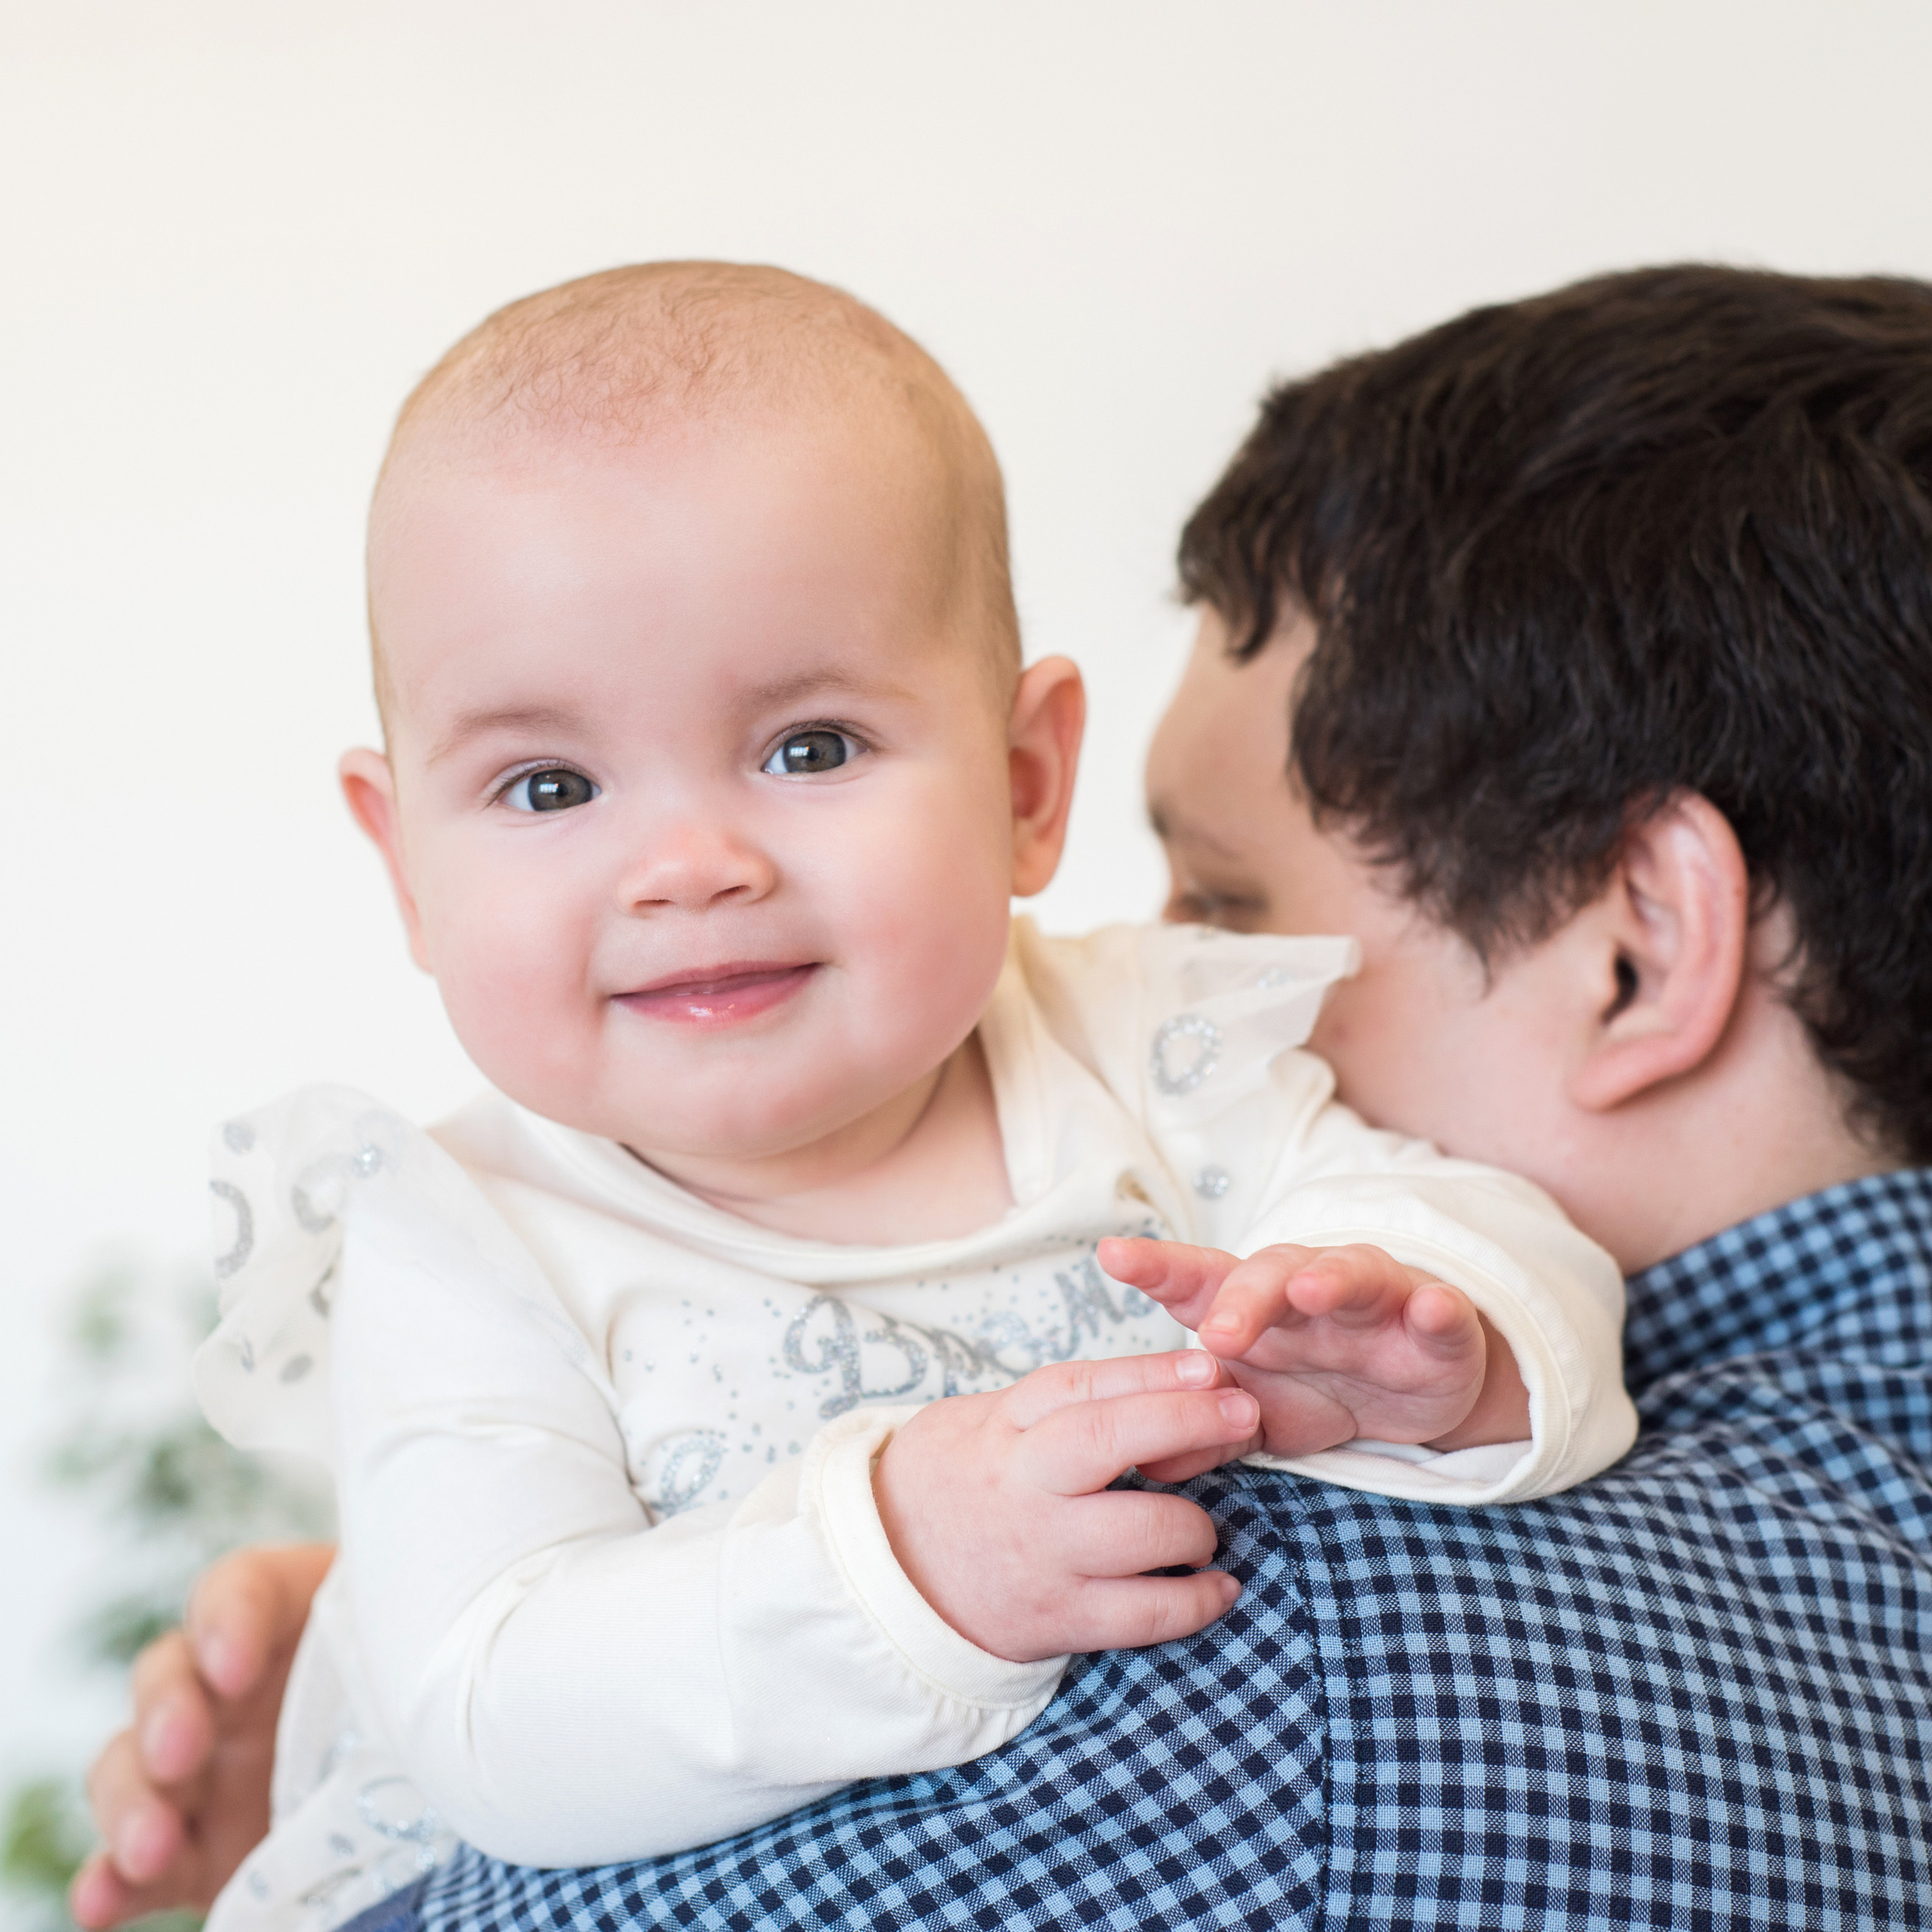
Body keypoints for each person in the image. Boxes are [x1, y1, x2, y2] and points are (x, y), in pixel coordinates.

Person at [76, 260, 1932, 1929]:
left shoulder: (1302, 1625)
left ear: (1026, 779)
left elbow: (1425, 1234)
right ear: (402, 858)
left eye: (810, 744)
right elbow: (492, 1700)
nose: (689, 863)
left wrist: (1445, 1340)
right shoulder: (468, 1236)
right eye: (550, 787)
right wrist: (447, 1642)